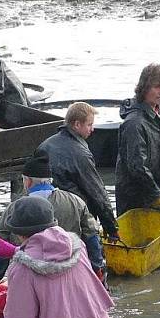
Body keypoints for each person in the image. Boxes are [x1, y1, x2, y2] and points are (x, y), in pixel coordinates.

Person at [0, 149, 105, 285]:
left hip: (29, 274)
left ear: (28, 182)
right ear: (50, 180)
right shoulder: (76, 201)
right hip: (69, 271)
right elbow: (91, 237)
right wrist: (97, 269)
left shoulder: (14, 208)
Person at [38, 102, 119, 240]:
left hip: (44, 212)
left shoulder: (44, 145)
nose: (92, 129)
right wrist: (111, 228)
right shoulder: (80, 154)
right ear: (77, 124)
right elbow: (97, 193)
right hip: (73, 214)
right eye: (89, 124)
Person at [115, 63, 160, 216]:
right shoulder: (134, 123)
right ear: (144, 87)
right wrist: (156, 194)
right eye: (157, 87)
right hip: (135, 196)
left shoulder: (158, 112)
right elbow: (137, 166)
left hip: (155, 187)